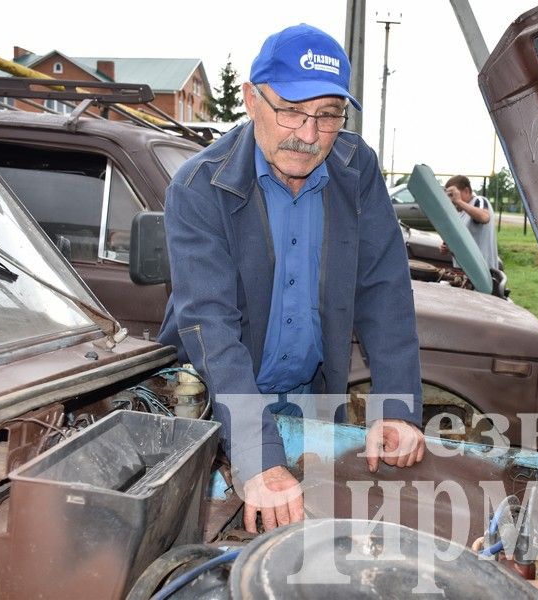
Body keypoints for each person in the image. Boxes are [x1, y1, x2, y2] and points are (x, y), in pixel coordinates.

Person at [156, 23, 425, 534]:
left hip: (309, 395)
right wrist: (257, 456)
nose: (307, 134)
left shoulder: (355, 167)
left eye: (327, 116)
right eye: (290, 111)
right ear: (251, 99)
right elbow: (209, 324)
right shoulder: (198, 187)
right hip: (216, 397)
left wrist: (396, 407)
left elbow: (383, 290)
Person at [443, 175, 499, 271]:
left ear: (466, 191)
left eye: (453, 195)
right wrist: (449, 247)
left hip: (482, 270)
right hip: (464, 269)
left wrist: (459, 201)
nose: (452, 200)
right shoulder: (460, 212)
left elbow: (484, 217)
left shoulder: (479, 201)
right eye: (449, 196)